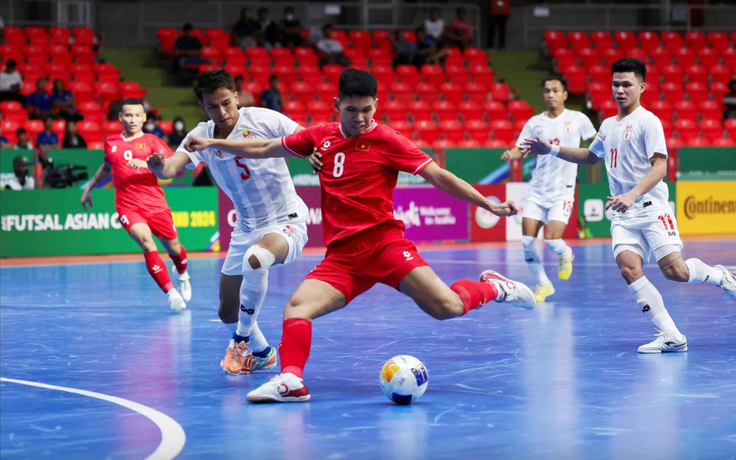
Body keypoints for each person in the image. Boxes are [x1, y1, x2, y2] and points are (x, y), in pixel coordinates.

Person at [183, 69, 536, 403]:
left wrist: (485, 203)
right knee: (297, 307)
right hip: (343, 257)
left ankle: (495, 287)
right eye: (352, 110)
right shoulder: (318, 137)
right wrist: (210, 143)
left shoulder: (388, 140)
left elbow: (439, 176)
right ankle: (291, 379)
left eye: (368, 110)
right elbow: (262, 148)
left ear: (376, 106)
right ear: (337, 106)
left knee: (447, 307)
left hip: (385, 246)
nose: (361, 118)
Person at [522, 58, 736, 353]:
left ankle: (721, 276)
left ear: (641, 87)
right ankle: (670, 334)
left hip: (650, 207)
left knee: (676, 272)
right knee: (628, 268)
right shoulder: (608, 124)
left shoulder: (648, 121)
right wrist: (552, 149)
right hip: (622, 214)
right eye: (615, 84)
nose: (620, 90)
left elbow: (660, 167)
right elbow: (589, 156)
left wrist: (632, 194)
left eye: (626, 84)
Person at [143, 69, 309, 376]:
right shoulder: (200, 137)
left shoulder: (263, 120)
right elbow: (170, 169)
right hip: (246, 227)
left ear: (236, 97)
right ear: (202, 107)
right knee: (227, 311)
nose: (221, 112)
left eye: (226, 103)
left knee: (256, 259)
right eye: (212, 106)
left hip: (286, 218)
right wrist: (158, 166)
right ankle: (263, 353)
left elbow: (304, 138)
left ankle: (241, 341)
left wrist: (312, 153)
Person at [81, 98, 192, 312]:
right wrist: (89, 188)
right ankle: (170, 293)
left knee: (174, 248)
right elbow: (106, 167)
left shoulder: (152, 141)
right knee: (146, 242)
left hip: (155, 204)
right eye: (128, 115)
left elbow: (172, 168)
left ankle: (183, 275)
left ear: (144, 118)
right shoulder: (111, 143)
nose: (133, 120)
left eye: (137, 115)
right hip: (127, 206)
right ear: (121, 117)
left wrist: (148, 165)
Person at [501, 76, 596, 302]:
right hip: (537, 190)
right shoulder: (535, 123)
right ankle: (543, 284)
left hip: (562, 190)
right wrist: (511, 155)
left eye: (555, 90)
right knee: (526, 242)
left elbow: (595, 141)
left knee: (553, 241)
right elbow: (519, 148)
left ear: (564, 94)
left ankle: (566, 253)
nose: (550, 95)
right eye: (546, 91)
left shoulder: (578, 118)